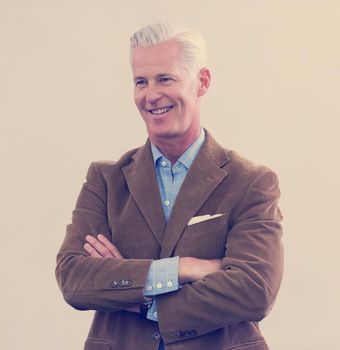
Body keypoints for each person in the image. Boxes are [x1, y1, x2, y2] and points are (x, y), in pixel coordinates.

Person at [55, 22, 283, 350]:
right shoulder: (105, 181)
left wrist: (138, 297)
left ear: (202, 81)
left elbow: (254, 290)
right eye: (140, 82)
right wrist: (183, 269)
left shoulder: (250, 182)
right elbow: (74, 279)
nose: (151, 95)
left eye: (165, 78)